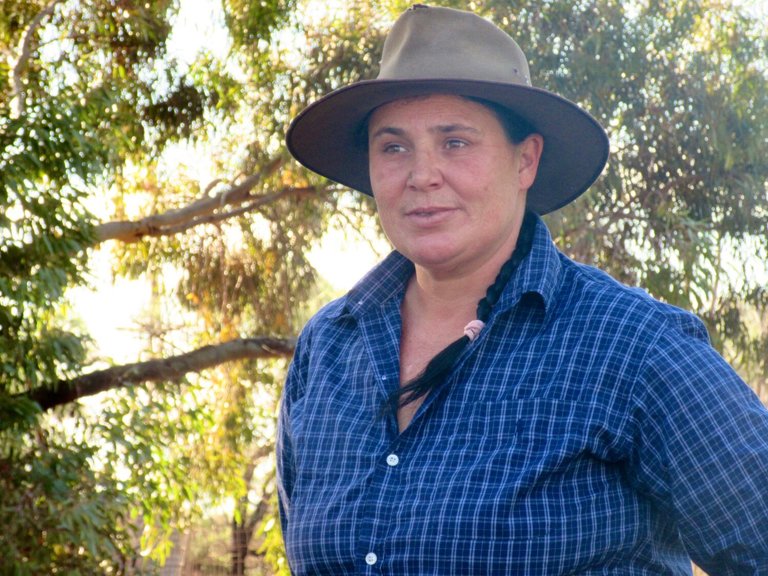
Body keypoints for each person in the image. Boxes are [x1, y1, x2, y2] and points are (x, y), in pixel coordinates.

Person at [277, 5, 768, 574]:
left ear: (525, 160)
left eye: (455, 142)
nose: (421, 174)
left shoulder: (636, 348)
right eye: (394, 146)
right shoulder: (328, 349)